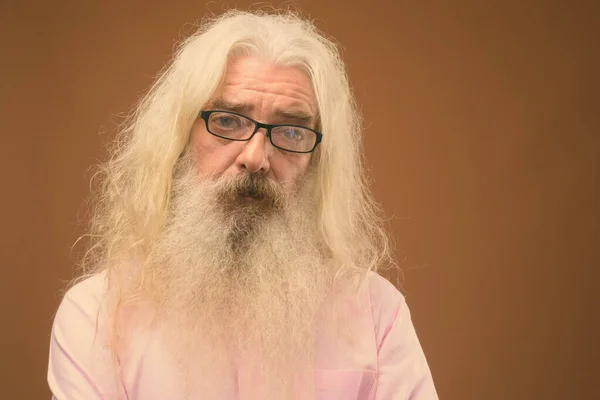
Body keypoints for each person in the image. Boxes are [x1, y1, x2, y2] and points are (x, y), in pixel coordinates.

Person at [47, 9, 438, 400]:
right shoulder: (96, 318)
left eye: (290, 131)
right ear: (181, 138)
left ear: (317, 159)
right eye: (229, 121)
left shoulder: (377, 315)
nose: (256, 157)